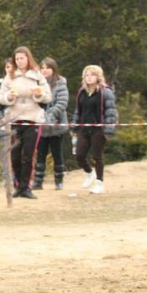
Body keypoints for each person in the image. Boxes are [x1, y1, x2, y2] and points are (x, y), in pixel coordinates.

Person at [0, 46, 52, 199]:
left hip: (33, 119)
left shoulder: (37, 75)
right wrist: (9, 97)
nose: (20, 61)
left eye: (22, 58)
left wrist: (39, 94)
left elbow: (48, 96)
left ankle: (25, 187)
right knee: (15, 154)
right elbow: (0, 97)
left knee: (28, 154)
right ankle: (18, 185)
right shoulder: (10, 76)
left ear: (28, 58)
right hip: (14, 119)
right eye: (17, 59)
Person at [71, 65, 118, 194]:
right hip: (84, 129)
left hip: (99, 129)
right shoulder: (82, 92)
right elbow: (78, 111)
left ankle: (99, 182)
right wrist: (74, 126)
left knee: (97, 156)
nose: (89, 77)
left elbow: (111, 112)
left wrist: (108, 129)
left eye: (91, 75)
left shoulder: (105, 92)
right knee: (79, 155)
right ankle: (89, 173)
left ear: (98, 77)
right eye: (86, 75)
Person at [33, 58, 69, 191]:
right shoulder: (37, 84)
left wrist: (50, 116)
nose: (45, 70)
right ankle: (38, 181)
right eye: (42, 68)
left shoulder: (60, 84)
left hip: (56, 125)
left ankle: (59, 180)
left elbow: (62, 103)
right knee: (40, 153)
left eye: (47, 68)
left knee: (57, 153)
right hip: (40, 125)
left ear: (53, 69)